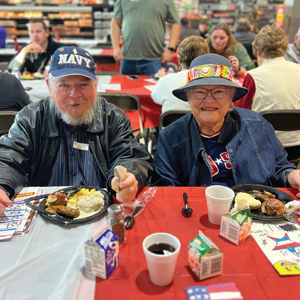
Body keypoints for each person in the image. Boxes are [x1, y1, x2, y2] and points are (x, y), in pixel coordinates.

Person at [0, 46, 154, 214]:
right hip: (45, 213)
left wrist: (129, 178)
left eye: (84, 84)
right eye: (64, 85)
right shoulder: (30, 118)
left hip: (99, 212)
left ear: (95, 84)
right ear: (49, 86)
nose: (74, 94)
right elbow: (10, 156)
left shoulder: (113, 117)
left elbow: (129, 154)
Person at [151, 53, 300, 195]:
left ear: (231, 97)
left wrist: (290, 175)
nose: (209, 100)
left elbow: (280, 167)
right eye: (199, 92)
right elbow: (164, 191)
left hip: (255, 215)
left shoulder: (258, 126)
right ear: (188, 98)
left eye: (219, 91)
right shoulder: (170, 138)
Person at [235, 24, 300, 160]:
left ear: (257, 51)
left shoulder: (252, 76)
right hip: (297, 147)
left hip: (264, 148)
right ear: (284, 48)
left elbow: (241, 114)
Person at [111, 0, 180, 75]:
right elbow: (115, 22)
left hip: (154, 59)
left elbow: (175, 24)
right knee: (125, 86)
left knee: (155, 86)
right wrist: (116, 47)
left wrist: (170, 50)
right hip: (127, 58)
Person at [151, 36, 208, 114]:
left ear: (179, 60)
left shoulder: (166, 80)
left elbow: (154, 96)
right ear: (206, 60)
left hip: (171, 125)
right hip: (202, 125)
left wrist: (163, 79)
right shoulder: (214, 82)